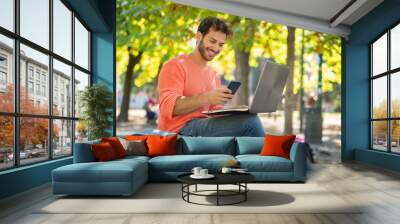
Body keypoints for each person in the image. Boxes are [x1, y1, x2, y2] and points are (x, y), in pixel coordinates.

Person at [157, 17, 264, 137]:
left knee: (249, 118)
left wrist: (236, 113)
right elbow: (169, 108)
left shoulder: (213, 74)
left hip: (203, 126)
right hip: (180, 131)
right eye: (212, 41)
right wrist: (207, 97)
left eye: (221, 44)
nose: (216, 48)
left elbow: (214, 111)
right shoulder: (175, 65)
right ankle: (267, 155)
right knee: (251, 123)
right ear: (198, 36)